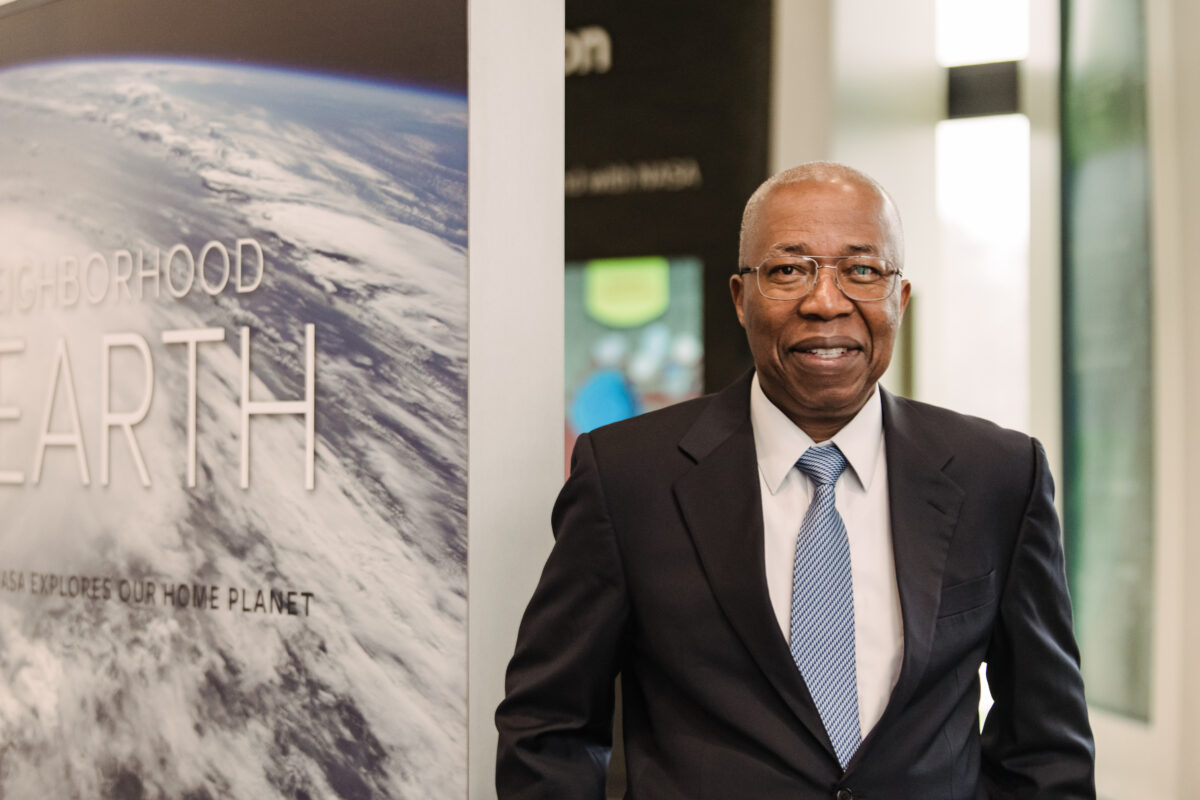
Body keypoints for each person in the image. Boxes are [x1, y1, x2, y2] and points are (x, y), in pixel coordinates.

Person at [495, 162, 1095, 798]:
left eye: (862, 271)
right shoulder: (627, 477)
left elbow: (1045, 744)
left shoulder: (998, 475)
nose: (826, 301)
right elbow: (549, 726)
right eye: (788, 270)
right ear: (739, 297)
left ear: (901, 297)